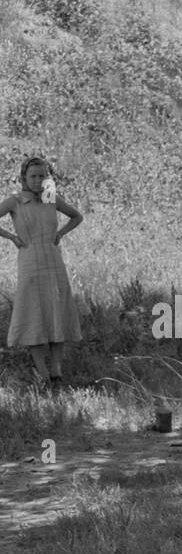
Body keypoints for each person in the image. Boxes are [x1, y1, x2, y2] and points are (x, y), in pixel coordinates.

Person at [1, 157, 83, 391]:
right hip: (29, 262)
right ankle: (43, 375)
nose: (38, 181)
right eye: (33, 176)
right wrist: (12, 237)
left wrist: (61, 233)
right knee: (33, 315)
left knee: (56, 312)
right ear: (24, 178)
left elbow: (77, 216)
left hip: (53, 262)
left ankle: (57, 372)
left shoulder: (50, 198)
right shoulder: (15, 201)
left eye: (42, 176)